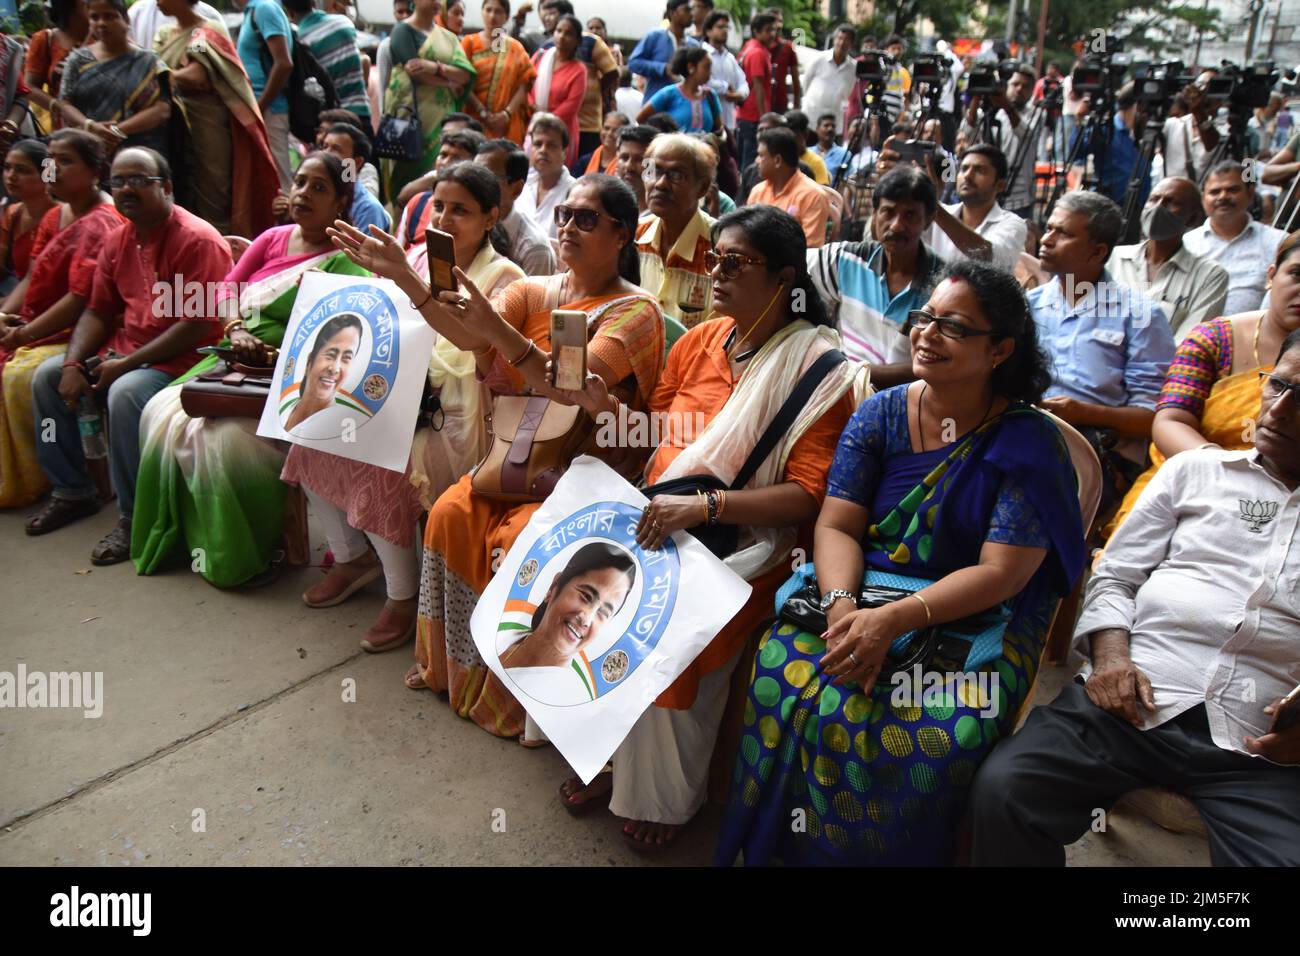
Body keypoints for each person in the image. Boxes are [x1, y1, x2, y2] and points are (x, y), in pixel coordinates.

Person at [717, 259, 1086, 865]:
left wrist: (895, 621)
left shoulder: (1027, 442)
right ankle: (788, 851)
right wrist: (843, 610)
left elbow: (1002, 573)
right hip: (857, 595)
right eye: (925, 318)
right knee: (791, 677)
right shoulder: (881, 415)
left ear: (1000, 350)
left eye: (954, 327)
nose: (927, 334)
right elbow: (837, 524)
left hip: (974, 617)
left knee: (937, 729)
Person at [555, 204, 860, 846]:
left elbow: (808, 496)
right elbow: (661, 436)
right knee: (578, 594)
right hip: (659, 509)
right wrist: (603, 407)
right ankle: (605, 753)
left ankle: (667, 799)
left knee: (670, 636)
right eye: (715, 258)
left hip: (749, 541)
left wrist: (705, 508)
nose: (717, 272)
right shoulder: (699, 341)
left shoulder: (819, 369)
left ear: (783, 277)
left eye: (736, 263)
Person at [970, 329, 1300, 867]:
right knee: (1005, 790)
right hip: (1133, 700)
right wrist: (1111, 658)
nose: (1280, 411)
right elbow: (1116, 575)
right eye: (1279, 384)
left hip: (1257, 743)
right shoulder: (1196, 472)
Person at [383, 174, 664, 734]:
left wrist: (502, 336)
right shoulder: (535, 291)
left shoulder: (637, 313)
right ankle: (451, 667)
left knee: (516, 542)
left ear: (623, 235)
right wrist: (407, 280)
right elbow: (467, 336)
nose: (567, 227)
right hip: (516, 457)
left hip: (586, 475)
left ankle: (517, 696)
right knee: (449, 513)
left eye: (586, 219)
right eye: (564, 215)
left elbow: (569, 389)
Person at [283, 163, 523, 649]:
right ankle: (350, 557)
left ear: (491, 217)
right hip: (402, 398)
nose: (447, 218)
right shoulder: (416, 257)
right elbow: (386, 331)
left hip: (461, 415)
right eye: (440, 206)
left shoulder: (503, 276)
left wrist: (411, 371)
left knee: (382, 465)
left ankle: (401, 593)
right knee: (308, 438)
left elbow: (471, 352)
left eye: (462, 210)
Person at [133, 153, 367, 589]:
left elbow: (341, 336)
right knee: (159, 415)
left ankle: (245, 555)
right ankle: (185, 540)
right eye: (300, 183)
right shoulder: (274, 238)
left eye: (319, 188)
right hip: (229, 359)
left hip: (290, 377)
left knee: (225, 444)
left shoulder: (346, 259)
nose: (304, 194)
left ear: (341, 201)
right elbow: (226, 291)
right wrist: (237, 328)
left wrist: (278, 353)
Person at [24, 147, 230, 564]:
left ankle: (135, 518)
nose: (126, 189)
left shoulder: (196, 238)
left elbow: (197, 325)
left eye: (139, 180)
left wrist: (126, 365)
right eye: (118, 181)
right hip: (129, 351)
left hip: (191, 357)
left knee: (125, 393)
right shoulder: (120, 238)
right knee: (47, 379)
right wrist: (71, 363)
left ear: (166, 187)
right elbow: (98, 310)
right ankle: (72, 490)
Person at [1104, 231, 1300, 535]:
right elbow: (1170, 421)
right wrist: (1227, 472)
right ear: (1272, 275)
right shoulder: (1216, 339)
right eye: (1296, 274)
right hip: (1195, 479)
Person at [1030, 190, 1176, 525]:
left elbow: (1154, 418)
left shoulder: (1140, 315)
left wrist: (1084, 413)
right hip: (1028, 432)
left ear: (1097, 252)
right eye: (1049, 228)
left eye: (1063, 233)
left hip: (1097, 450)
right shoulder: (1028, 305)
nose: (1047, 239)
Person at [0, 131, 122, 509]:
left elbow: (81, 299)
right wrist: (4, 315)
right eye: (50, 160)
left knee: (24, 377)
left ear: (94, 170)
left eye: (65, 161)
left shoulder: (103, 221)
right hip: (41, 324)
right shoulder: (58, 213)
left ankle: (54, 480)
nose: (53, 170)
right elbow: (34, 274)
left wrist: (22, 334)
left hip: (90, 330)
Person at [154, 0, 279, 238]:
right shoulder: (162, 34)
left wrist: (166, 74)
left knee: (213, 191)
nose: (158, 2)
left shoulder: (204, 33)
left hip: (206, 124)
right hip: (169, 125)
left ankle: (218, 248)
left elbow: (198, 74)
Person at [808, 165, 945, 381]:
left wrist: (848, 372)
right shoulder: (846, 260)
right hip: (842, 393)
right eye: (888, 212)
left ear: (928, 220)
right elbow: (790, 268)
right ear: (874, 215)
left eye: (910, 215)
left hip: (903, 404)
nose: (897, 225)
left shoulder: (942, 285)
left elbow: (937, 365)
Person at [500, 542, 636, 704]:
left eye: (603, 613)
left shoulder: (570, 702)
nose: (586, 619)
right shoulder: (503, 638)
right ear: (554, 586)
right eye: (586, 596)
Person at [1105, 176, 1229, 342]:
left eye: (1171, 202)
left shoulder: (1209, 276)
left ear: (1192, 218)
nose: (1158, 207)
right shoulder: (1112, 258)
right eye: (1153, 199)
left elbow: (1188, 344)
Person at [56, 0, 174, 165]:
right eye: (94, 17)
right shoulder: (78, 60)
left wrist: (117, 131)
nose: (101, 23)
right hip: (89, 148)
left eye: (110, 16)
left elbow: (162, 109)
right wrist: (90, 126)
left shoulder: (150, 61)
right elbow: (65, 103)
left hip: (142, 152)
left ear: (126, 20)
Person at [381, 0, 474, 203]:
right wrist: (449, 83)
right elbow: (414, 72)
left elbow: (466, 75)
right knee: (403, 183)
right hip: (408, 121)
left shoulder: (448, 37)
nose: (437, 2)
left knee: (439, 175)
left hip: (440, 118)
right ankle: (402, 224)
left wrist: (435, 67)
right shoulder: (402, 31)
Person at [1184, 160, 1288, 316]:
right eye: (1214, 192)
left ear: (1250, 193)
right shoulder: (1187, 243)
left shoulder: (1277, 242)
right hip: (1192, 336)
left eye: (1232, 190)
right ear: (1203, 199)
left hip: (1254, 336)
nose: (1223, 196)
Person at [635, 133, 714, 326]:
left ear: (702, 188)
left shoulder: (720, 247)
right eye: (654, 171)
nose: (660, 184)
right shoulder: (633, 237)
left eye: (677, 174)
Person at [922, 144, 1027, 272]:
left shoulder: (1013, 224)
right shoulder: (936, 215)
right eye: (964, 169)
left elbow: (988, 256)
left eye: (980, 170)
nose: (967, 175)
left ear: (1000, 185)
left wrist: (935, 208)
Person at [959, 62, 1035, 219]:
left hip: (1017, 198)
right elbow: (968, 128)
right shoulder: (992, 112)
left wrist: (1006, 106)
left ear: (1032, 91)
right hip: (985, 194)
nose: (1019, 89)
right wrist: (976, 96)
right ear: (1006, 85)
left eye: (1025, 86)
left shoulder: (1036, 114)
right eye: (1015, 84)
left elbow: (1024, 133)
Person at [236, 0, 294, 192]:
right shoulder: (253, 11)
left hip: (270, 111)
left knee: (280, 183)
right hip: (261, 111)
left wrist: (259, 108)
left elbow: (284, 63)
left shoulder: (265, 8)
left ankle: (289, 222)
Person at [476, 137, 555, 275]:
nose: (474, 186)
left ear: (516, 189)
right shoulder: (463, 223)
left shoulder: (534, 249)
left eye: (487, 178)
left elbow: (531, 297)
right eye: (473, 176)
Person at [286, 0, 371, 127]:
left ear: (289, 13)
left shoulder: (300, 42)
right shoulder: (344, 23)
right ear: (313, 3)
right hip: (361, 112)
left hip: (333, 119)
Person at [462, 0, 536, 145]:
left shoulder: (515, 47)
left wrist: (506, 114)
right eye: (488, 10)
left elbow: (525, 84)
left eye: (498, 11)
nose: (492, 15)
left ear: (506, 17)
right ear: (482, 12)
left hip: (507, 124)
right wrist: (482, 112)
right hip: (474, 119)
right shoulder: (469, 43)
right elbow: (461, 82)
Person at [748, 126, 828, 250]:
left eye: (761, 155)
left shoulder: (813, 195)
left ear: (777, 160)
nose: (757, 160)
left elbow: (810, 248)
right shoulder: (757, 191)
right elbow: (747, 235)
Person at [0, 142, 57, 296]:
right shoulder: (13, 213)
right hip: (15, 292)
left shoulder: (63, 217)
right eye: (7, 168)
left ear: (47, 175)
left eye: (22, 170)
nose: (11, 176)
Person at [529, 14, 586, 166]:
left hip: (560, 132)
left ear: (577, 40)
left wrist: (544, 123)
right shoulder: (540, 57)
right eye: (559, 31)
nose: (561, 36)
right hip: (532, 125)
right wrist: (530, 106)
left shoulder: (579, 70)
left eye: (568, 33)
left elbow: (571, 106)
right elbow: (525, 84)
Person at [23, 0, 90, 129]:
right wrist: (59, 106)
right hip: (67, 130)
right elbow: (29, 86)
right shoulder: (46, 40)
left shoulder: (106, 35)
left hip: (110, 120)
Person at [320, 122, 391, 232]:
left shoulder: (367, 209)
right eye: (324, 146)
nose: (325, 154)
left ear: (356, 162)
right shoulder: (315, 192)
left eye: (336, 149)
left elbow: (365, 249)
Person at [637, 46, 720, 136]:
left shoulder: (710, 96)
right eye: (706, 67)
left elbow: (719, 129)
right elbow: (640, 119)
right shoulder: (668, 94)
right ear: (691, 67)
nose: (710, 73)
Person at [628, 0, 697, 102]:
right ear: (672, 13)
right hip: (655, 105)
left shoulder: (693, 45)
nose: (691, 14)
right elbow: (633, 63)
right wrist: (663, 69)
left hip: (684, 106)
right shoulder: (655, 37)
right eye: (686, 10)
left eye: (692, 10)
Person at [516, 112, 573, 237]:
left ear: (564, 152)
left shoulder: (573, 193)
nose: (543, 150)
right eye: (538, 144)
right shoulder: (522, 185)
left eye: (551, 145)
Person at [735, 12, 774, 174]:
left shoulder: (749, 47)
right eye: (767, 30)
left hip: (745, 115)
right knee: (750, 165)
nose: (772, 34)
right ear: (756, 32)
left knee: (745, 161)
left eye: (773, 29)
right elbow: (758, 86)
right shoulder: (757, 52)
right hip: (753, 117)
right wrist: (764, 118)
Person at [801, 25, 855, 138]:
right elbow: (806, 82)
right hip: (811, 117)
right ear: (834, 40)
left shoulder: (853, 67)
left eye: (846, 40)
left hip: (833, 121)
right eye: (839, 38)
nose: (842, 43)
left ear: (851, 44)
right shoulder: (819, 59)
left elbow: (848, 92)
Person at [699, 11, 746, 142]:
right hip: (708, 123)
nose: (725, 31)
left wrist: (740, 94)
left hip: (729, 122)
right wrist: (726, 88)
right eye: (720, 27)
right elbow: (703, 81)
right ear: (708, 31)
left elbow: (743, 82)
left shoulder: (729, 57)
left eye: (727, 27)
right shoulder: (701, 54)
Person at [127, 0, 225, 51]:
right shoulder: (137, 12)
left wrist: (170, 74)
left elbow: (199, 66)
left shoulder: (206, 24)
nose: (159, 2)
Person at [615, 122, 657, 214]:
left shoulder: (663, 215)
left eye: (639, 159)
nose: (629, 166)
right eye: (624, 158)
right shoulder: (606, 205)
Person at [574, 110, 626, 176]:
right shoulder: (585, 161)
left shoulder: (626, 165)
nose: (609, 133)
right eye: (606, 128)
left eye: (615, 130)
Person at [810, 112, 849, 184]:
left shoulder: (845, 154)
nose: (830, 129)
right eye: (826, 125)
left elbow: (848, 181)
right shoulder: (808, 152)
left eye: (833, 126)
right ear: (817, 129)